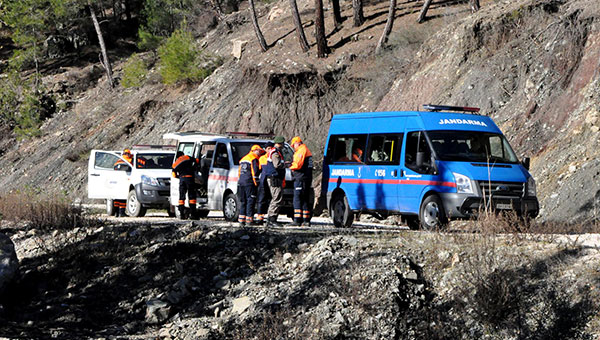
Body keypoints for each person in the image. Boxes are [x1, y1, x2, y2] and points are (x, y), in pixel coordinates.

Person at [289, 136, 313, 227]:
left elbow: (297, 165)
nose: (293, 147)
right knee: (305, 199)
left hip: (301, 177)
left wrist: (289, 166)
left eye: (293, 145)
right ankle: (306, 219)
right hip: (305, 178)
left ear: (297, 143)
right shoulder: (305, 150)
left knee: (298, 198)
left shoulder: (301, 150)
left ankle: (297, 220)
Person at [263, 136, 286, 227]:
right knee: (277, 198)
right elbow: (277, 165)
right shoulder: (275, 153)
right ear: (279, 143)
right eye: (283, 143)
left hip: (276, 177)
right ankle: (271, 219)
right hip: (274, 178)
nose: (283, 145)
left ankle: (271, 219)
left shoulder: (276, 151)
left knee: (277, 198)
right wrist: (286, 164)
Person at [238, 144, 263, 227]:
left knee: (243, 201)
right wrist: (256, 183)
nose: (260, 153)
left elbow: (239, 172)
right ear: (255, 150)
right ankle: (249, 220)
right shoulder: (254, 159)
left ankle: (241, 220)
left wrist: (240, 181)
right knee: (250, 201)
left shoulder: (243, 159)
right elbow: (254, 172)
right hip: (249, 183)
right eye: (259, 151)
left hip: (241, 182)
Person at [172, 151, 199, 220]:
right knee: (191, 196)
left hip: (182, 180)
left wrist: (180, 177)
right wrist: (194, 168)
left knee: (181, 197)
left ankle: (182, 214)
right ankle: (193, 214)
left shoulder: (175, 164)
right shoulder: (187, 157)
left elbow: (174, 175)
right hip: (190, 178)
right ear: (182, 154)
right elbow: (197, 160)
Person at [255, 142, 274, 225]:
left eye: (271, 148)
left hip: (272, 181)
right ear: (265, 149)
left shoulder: (275, 156)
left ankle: (270, 217)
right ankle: (260, 217)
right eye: (268, 148)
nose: (269, 150)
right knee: (261, 199)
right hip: (263, 181)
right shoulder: (262, 158)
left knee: (271, 199)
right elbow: (260, 170)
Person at [113, 149, 133, 217]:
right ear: (128, 154)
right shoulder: (129, 160)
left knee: (116, 198)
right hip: (125, 180)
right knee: (123, 197)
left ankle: (116, 213)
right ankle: (122, 213)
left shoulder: (118, 160)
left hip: (117, 180)